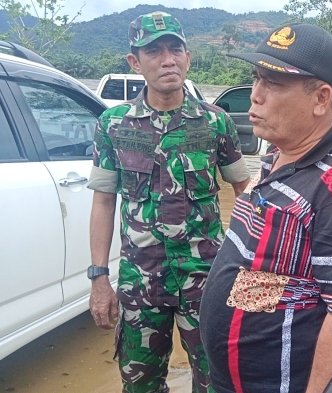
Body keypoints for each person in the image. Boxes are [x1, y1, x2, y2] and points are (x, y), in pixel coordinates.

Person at [199, 23, 332, 393]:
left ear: (321, 99)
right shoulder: (278, 154)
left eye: (273, 84)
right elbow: (281, 283)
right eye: (256, 79)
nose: (255, 96)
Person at [87, 11, 250, 393]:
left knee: (216, 382)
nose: (167, 59)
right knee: (139, 385)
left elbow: (244, 191)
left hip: (207, 281)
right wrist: (99, 279)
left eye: (175, 49)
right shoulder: (113, 125)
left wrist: (250, 268)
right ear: (135, 62)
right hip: (141, 284)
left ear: (188, 57)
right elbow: (103, 203)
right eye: (154, 50)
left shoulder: (216, 123)